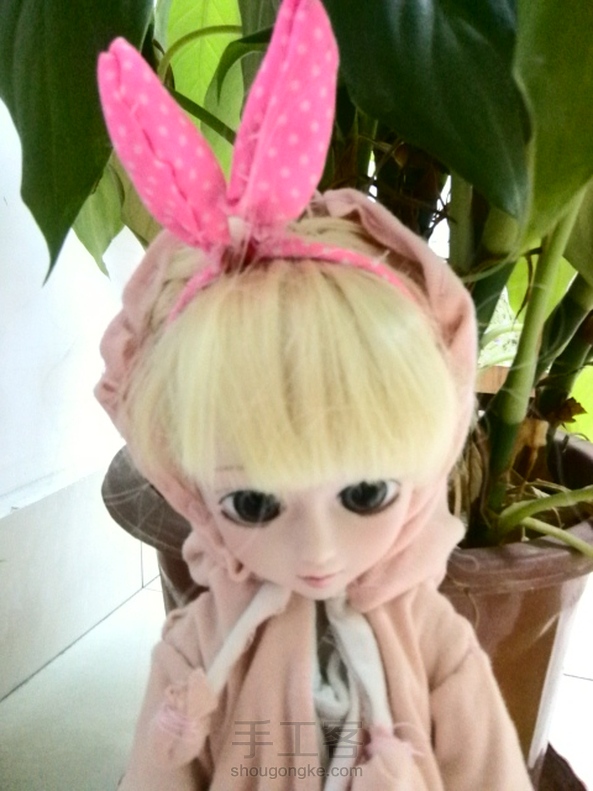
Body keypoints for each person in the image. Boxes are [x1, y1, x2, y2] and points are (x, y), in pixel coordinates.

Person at [95, 0, 533, 787]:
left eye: (365, 493)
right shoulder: (199, 652)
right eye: (251, 503)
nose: (319, 551)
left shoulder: (434, 644)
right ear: (191, 485)